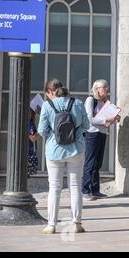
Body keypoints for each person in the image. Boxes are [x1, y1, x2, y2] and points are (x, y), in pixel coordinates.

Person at [38, 79, 90, 234]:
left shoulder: (47, 105)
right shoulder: (78, 103)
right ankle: (77, 223)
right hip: (76, 150)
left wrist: (53, 136)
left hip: (54, 151)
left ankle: (51, 225)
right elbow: (87, 125)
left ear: (54, 91)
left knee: (54, 187)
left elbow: (42, 130)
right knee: (75, 187)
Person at [82, 80, 120, 201]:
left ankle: (95, 190)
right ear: (97, 89)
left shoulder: (104, 103)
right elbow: (89, 119)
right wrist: (106, 119)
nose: (107, 90)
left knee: (97, 163)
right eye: (104, 87)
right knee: (90, 162)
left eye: (107, 87)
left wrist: (114, 118)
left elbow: (106, 120)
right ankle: (85, 190)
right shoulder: (90, 100)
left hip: (102, 133)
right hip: (92, 133)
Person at [28, 109, 39, 177]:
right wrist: (40, 131)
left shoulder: (30, 122)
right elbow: (33, 138)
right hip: (29, 153)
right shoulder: (30, 124)